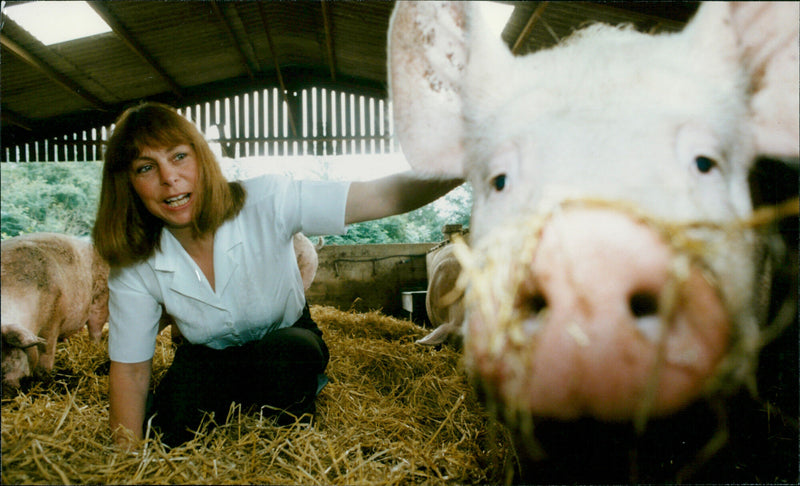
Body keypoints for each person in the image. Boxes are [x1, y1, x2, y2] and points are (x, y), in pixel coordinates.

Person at [92, 102, 462, 448]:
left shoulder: (267, 199)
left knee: (286, 355)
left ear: (201, 158)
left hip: (286, 340)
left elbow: (383, 197)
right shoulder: (134, 262)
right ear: (128, 183)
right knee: (169, 428)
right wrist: (125, 461)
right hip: (209, 359)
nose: (169, 178)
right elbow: (131, 371)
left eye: (178, 157)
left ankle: (292, 410)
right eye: (146, 167)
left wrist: (471, 163)